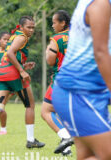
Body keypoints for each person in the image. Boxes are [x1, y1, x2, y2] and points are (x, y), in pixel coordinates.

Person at [52, 0, 111, 160]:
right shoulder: (100, 4)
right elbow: (100, 52)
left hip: (88, 92)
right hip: (76, 92)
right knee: (110, 155)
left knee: (88, 155)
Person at [0, 16, 45, 150]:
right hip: (13, 75)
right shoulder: (22, 37)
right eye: (28, 27)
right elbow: (11, 53)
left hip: (1, 74)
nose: (31, 30)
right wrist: (21, 71)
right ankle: (30, 140)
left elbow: (10, 56)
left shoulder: (14, 36)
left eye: (33, 27)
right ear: (21, 27)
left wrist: (23, 65)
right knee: (30, 105)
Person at [40, 10, 73, 156]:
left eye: (54, 22)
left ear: (63, 23)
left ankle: (66, 138)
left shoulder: (57, 38)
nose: (53, 25)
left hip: (62, 80)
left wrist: (48, 49)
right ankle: (66, 150)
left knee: (46, 111)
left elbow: (50, 61)